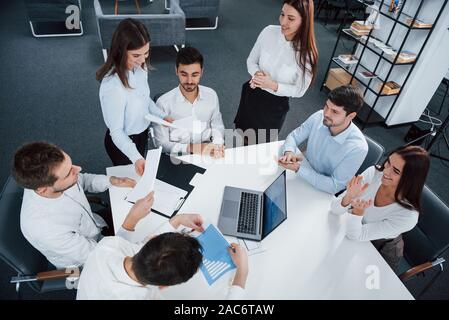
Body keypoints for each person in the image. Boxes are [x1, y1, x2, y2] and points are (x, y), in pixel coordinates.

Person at [12, 141, 154, 269]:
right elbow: (101, 255)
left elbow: (83, 180)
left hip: (96, 225)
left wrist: (112, 180)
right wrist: (131, 221)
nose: (78, 169)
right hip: (89, 260)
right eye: (69, 173)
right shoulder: (46, 229)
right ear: (43, 189)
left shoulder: (55, 179)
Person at [76, 214, 248, 300]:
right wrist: (242, 272)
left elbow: (142, 246)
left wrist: (177, 220)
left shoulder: (108, 246)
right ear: (163, 287)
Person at [330, 146, 430, 269]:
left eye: (396, 171)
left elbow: (355, 235)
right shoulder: (374, 173)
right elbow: (334, 209)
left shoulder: (408, 216)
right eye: (388, 162)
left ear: (410, 179)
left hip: (380, 248)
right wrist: (348, 197)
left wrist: (357, 212)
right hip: (352, 227)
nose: (386, 171)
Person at [234, 0, 318, 144]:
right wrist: (257, 74)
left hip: (273, 107)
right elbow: (251, 61)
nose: (283, 22)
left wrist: (272, 85)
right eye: (282, 14)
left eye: (291, 18)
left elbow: (299, 90)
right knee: (239, 137)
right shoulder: (268, 32)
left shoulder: (306, 54)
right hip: (252, 94)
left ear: (304, 21)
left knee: (259, 149)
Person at [96, 18, 173, 176]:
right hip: (122, 142)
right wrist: (136, 157)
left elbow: (145, 100)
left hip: (141, 134)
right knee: (129, 183)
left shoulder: (140, 69)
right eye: (136, 55)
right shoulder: (113, 87)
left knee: (140, 178)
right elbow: (116, 132)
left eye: (146, 53)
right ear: (120, 51)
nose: (143, 59)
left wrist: (162, 116)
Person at [278, 85, 368, 194]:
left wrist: (298, 169)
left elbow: (335, 185)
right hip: (302, 170)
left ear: (351, 116)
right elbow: (294, 136)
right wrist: (289, 152)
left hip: (321, 189)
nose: (326, 113)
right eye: (326, 106)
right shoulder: (319, 116)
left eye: (335, 111)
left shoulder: (358, 148)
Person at [153, 47, 225, 157]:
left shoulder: (212, 95)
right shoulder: (163, 103)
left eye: (195, 74)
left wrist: (217, 145)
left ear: (202, 72)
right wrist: (192, 148)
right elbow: (161, 143)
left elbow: (218, 127)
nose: (189, 81)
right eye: (184, 74)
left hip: (207, 152)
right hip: (178, 156)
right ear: (176, 71)